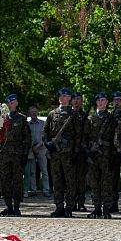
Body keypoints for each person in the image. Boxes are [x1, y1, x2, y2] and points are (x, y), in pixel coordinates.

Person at [43, 88, 80, 218]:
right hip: (55, 154)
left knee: (70, 181)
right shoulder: (52, 114)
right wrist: (47, 144)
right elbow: (45, 131)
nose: (62, 98)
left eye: (65, 96)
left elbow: (78, 135)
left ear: (69, 98)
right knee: (57, 180)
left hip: (68, 153)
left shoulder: (73, 114)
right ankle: (59, 206)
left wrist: (75, 151)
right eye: (61, 96)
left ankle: (69, 207)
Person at [0, 94, 31, 216]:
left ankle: (16, 206)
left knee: (17, 182)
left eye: (13, 102)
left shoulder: (21, 119)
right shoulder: (2, 118)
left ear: (16, 103)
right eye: (9, 103)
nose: (11, 104)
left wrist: (25, 154)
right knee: (5, 181)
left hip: (17, 155)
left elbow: (27, 138)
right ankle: (8, 206)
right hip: (4, 155)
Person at [86, 92, 117, 219]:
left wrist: (114, 154)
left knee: (106, 183)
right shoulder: (90, 118)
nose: (101, 102)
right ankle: (97, 208)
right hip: (93, 157)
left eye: (103, 100)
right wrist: (88, 149)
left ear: (107, 102)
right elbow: (85, 136)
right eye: (98, 100)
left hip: (106, 156)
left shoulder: (111, 119)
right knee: (94, 182)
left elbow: (116, 137)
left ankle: (106, 209)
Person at [27, 105, 50, 198]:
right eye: (32, 112)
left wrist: (38, 145)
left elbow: (45, 137)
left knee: (44, 170)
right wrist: (32, 147)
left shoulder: (43, 123)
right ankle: (33, 189)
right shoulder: (27, 125)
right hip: (31, 149)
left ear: (37, 112)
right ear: (29, 113)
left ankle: (46, 189)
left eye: (35, 112)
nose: (34, 113)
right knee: (32, 170)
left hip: (41, 148)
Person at [71, 93, 89, 211]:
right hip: (69, 151)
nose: (76, 101)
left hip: (82, 151)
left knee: (81, 179)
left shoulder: (85, 116)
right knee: (70, 178)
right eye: (74, 99)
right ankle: (71, 203)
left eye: (78, 99)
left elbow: (87, 134)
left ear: (82, 101)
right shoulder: (68, 114)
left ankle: (81, 203)